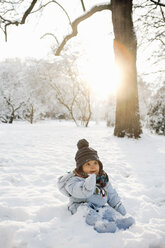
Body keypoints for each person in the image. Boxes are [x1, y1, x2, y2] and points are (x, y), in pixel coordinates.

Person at [57, 139, 134, 233]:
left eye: (95, 163)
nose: (92, 166)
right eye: (88, 164)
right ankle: (100, 226)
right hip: (80, 206)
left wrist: (118, 206)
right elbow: (78, 190)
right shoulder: (74, 179)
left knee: (108, 211)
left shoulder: (102, 178)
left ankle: (118, 221)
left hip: (99, 206)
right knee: (88, 213)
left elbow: (111, 194)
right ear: (81, 167)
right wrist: (88, 184)